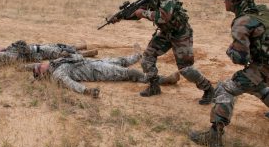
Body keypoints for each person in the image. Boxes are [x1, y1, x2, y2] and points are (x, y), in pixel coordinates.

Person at [113, 0, 214, 104]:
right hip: (166, 33)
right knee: (147, 58)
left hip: (180, 33)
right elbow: (138, 12)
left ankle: (208, 89)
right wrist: (122, 16)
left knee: (185, 69)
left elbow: (164, 17)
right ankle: (154, 86)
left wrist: (143, 13)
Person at [190, 0, 269, 147]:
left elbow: (240, 58)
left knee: (225, 88)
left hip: (264, 66)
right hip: (263, 66)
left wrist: (230, 50)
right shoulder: (263, 12)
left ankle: (214, 135)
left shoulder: (242, 22)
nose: (223, 2)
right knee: (258, 85)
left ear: (234, 0)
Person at [21, 53, 180, 98]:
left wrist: (21, 67)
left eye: (39, 64)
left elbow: (31, 66)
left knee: (121, 60)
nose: (41, 64)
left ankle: (137, 54)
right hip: (97, 71)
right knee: (130, 73)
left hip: (93, 62)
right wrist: (86, 91)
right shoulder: (57, 73)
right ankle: (165, 80)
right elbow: (70, 84)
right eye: (39, 68)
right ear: (43, 73)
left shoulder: (54, 63)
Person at [0, 40, 98, 64]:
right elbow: (25, 51)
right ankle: (88, 53)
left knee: (58, 46)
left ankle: (82, 47)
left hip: (38, 48)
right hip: (39, 51)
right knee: (60, 53)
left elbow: (22, 44)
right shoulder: (12, 55)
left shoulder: (10, 48)